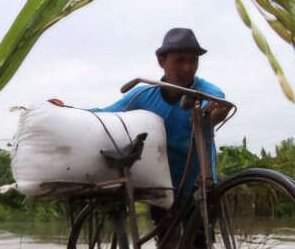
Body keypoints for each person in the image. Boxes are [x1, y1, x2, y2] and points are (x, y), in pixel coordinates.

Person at [50, 27, 227, 222]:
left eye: (193, 60)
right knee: (168, 245)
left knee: (200, 248)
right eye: (180, 60)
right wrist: (68, 109)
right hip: (161, 184)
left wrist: (213, 113)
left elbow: (216, 104)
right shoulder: (143, 95)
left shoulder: (204, 91)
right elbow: (106, 114)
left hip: (199, 182)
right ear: (162, 61)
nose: (187, 68)